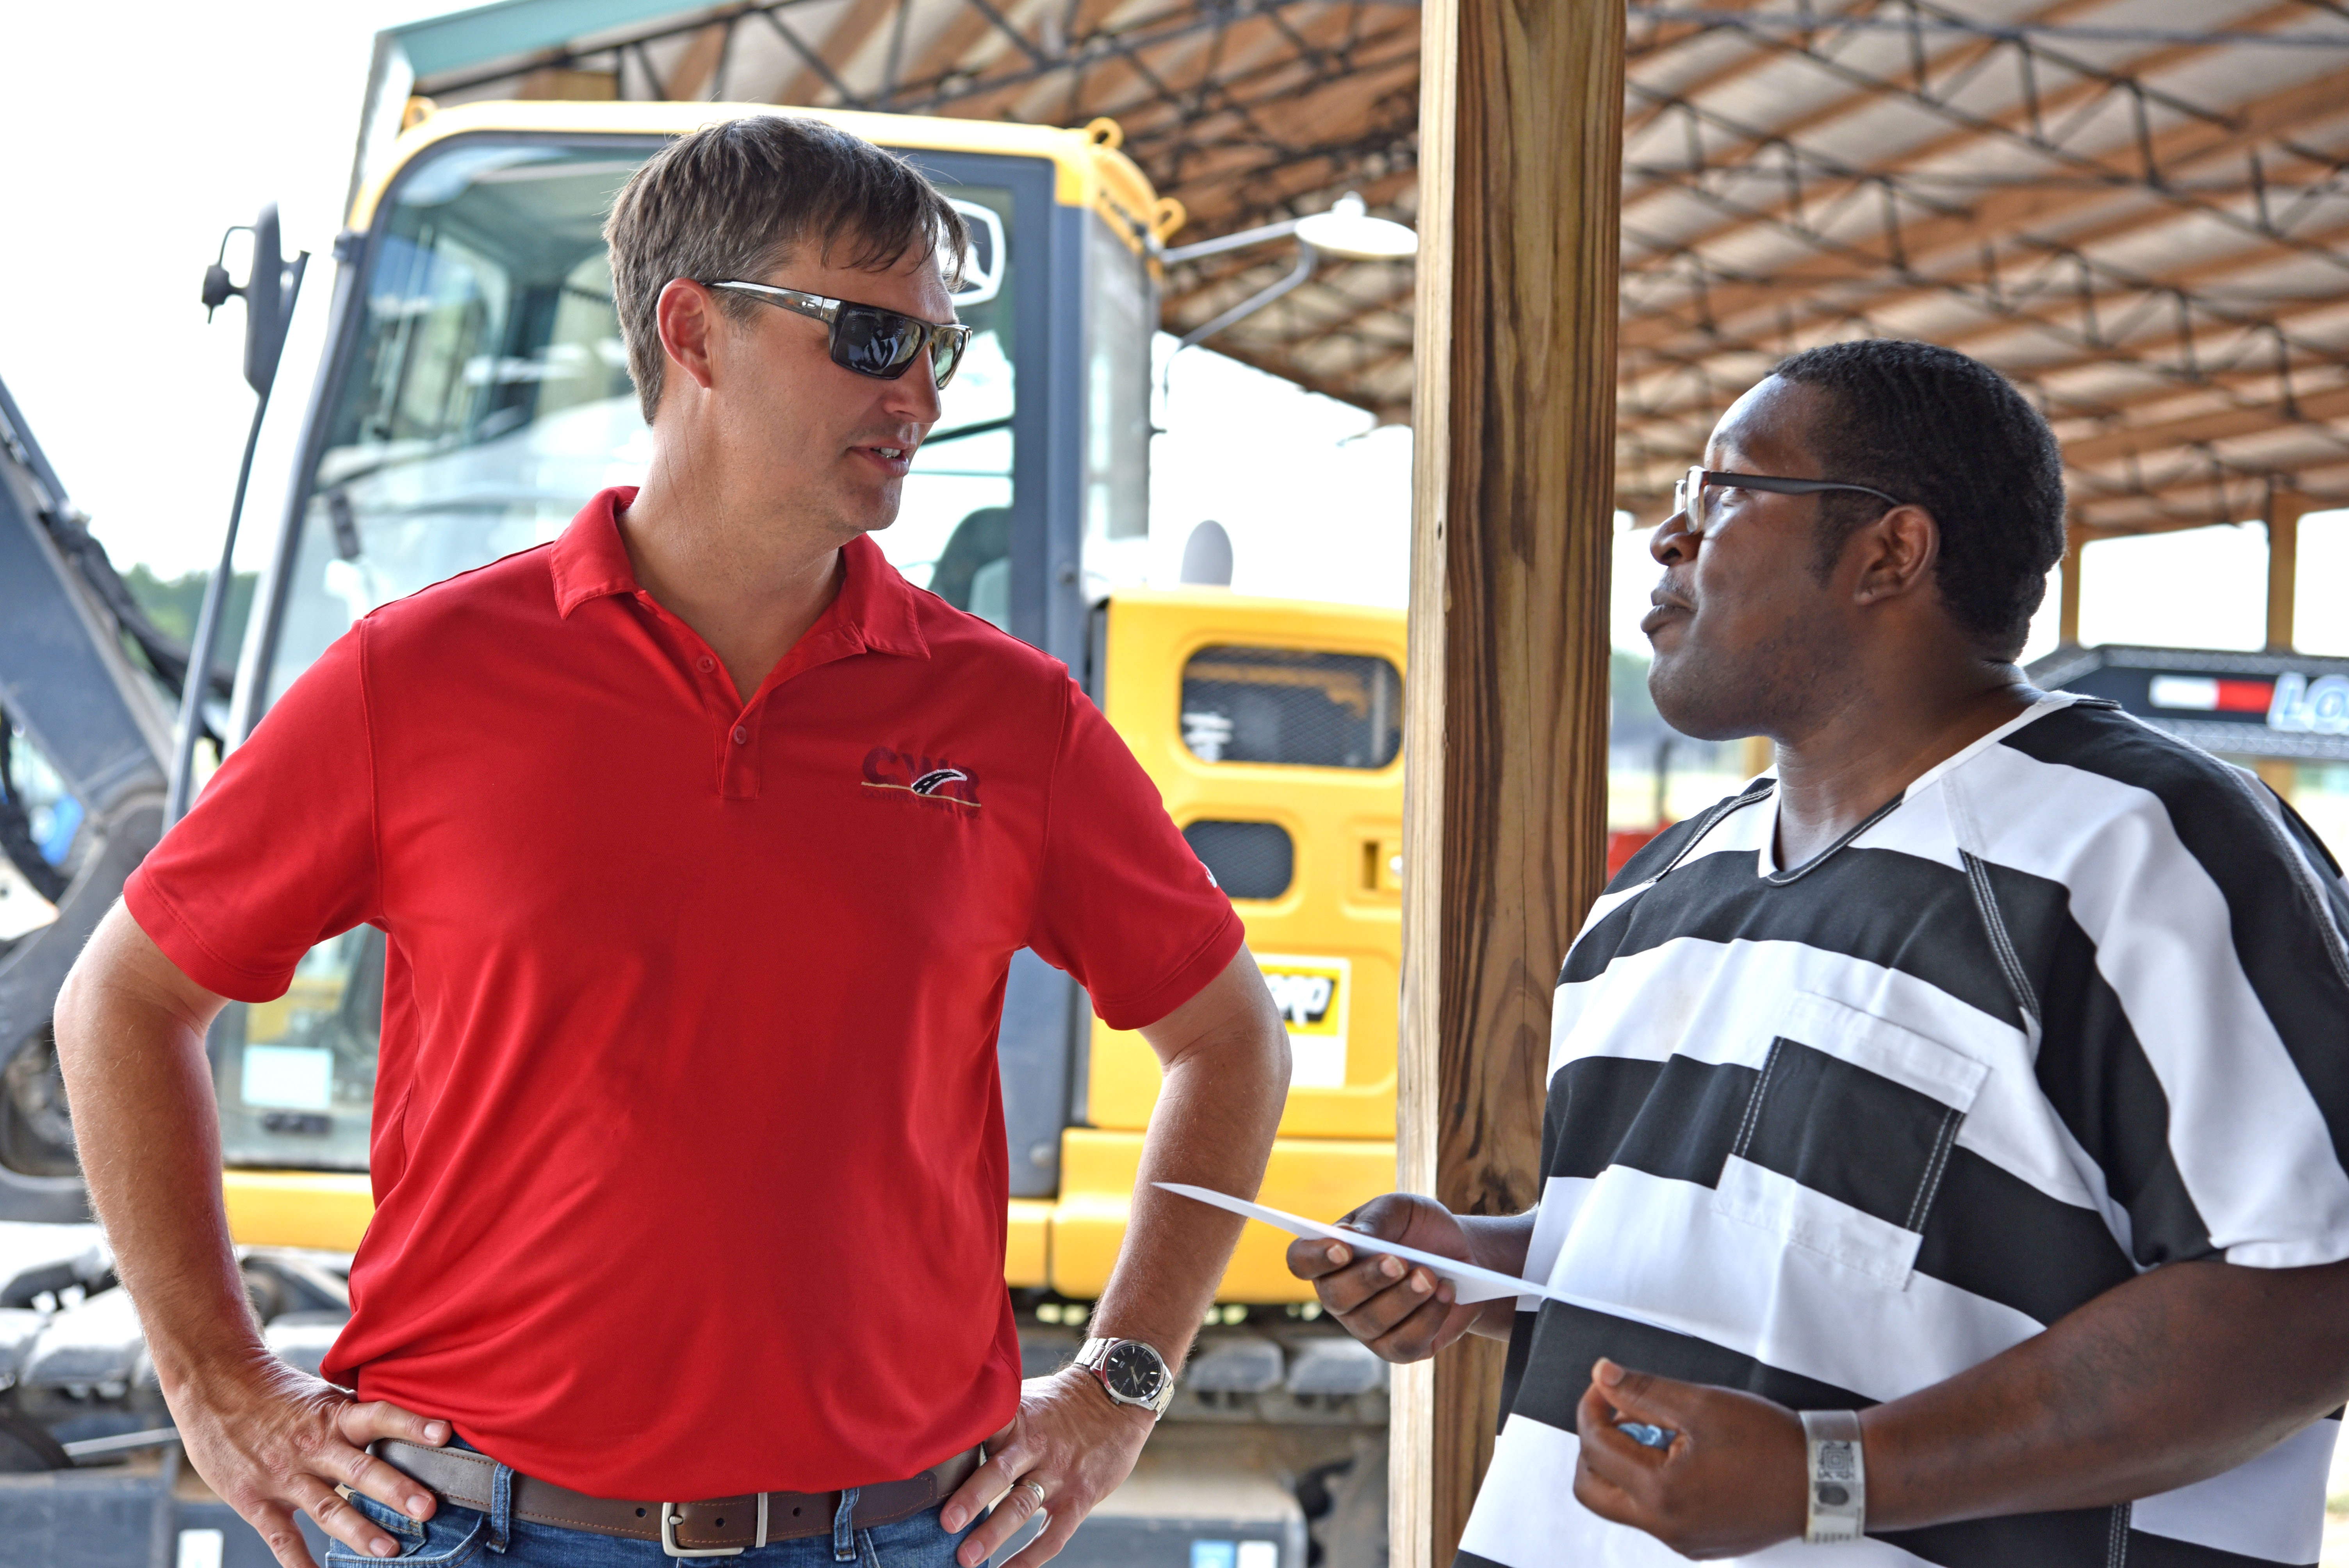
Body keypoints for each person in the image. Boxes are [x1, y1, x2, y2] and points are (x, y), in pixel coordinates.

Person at [55, 115, 1288, 1568]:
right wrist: (218, 1383)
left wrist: (1124, 1383)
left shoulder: (1011, 720)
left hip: (889, 1538)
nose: (922, 397)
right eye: (875, 338)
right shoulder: (422, 676)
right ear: (693, 331)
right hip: (468, 1530)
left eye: (941, 350)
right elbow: (124, 1000)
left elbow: (1231, 1041)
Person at [1290, 339, 2349, 1566]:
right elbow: (1736, 1244)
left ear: (1889, 553)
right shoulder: (1656, 896)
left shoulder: (2134, 846)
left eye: (1723, 492)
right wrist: (1483, 1264)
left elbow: (2308, 1301)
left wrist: (1836, 1477)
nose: (1669, 539)